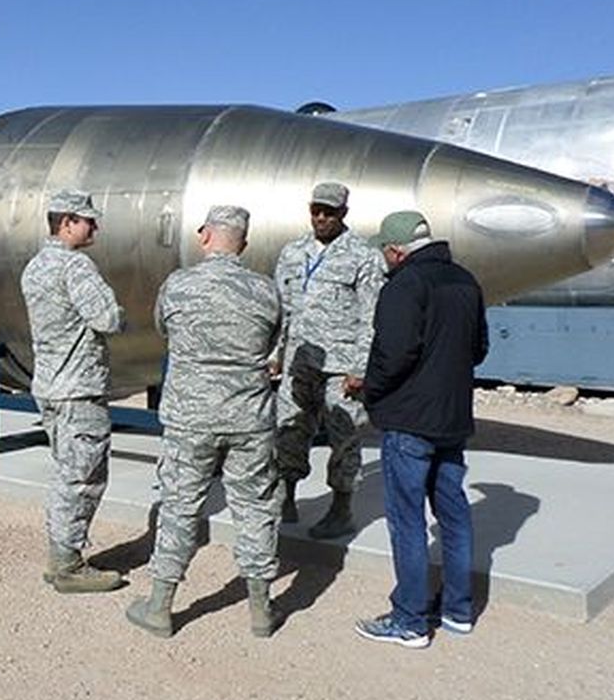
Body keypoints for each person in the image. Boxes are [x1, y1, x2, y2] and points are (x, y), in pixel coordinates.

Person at [127, 205, 283, 638]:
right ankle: (260, 611)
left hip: (190, 417)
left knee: (180, 506)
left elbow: (164, 331)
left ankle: (160, 607)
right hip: (249, 417)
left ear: (204, 236)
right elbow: (273, 340)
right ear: (244, 243)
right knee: (254, 507)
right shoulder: (265, 290)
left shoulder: (178, 286)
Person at [355, 210, 488, 648]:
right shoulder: (466, 281)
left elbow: (393, 355)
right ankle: (457, 610)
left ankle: (409, 619)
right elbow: (479, 349)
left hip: (410, 422)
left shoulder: (405, 285)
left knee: (407, 519)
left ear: (396, 251)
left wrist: (369, 390)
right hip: (452, 421)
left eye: (386, 253)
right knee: (454, 516)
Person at [20, 189, 126, 593]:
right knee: (83, 477)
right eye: (87, 220)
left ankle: (61, 556)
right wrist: (120, 313)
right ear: (67, 223)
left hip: (50, 386)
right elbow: (107, 318)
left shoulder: (35, 267)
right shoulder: (75, 267)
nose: (94, 226)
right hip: (79, 387)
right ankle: (67, 565)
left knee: (68, 473)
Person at [271, 181, 384, 539]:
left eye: (329, 212)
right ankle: (285, 496)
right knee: (289, 427)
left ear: (343, 214)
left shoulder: (363, 256)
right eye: (316, 210)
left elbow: (372, 316)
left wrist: (361, 368)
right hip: (298, 360)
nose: (321, 217)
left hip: (341, 364)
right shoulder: (293, 252)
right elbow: (280, 309)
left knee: (344, 435)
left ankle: (341, 507)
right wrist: (275, 355)